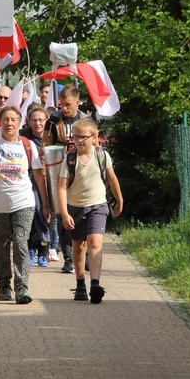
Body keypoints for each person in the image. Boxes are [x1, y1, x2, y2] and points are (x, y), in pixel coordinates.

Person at [0, 106, 49, 304]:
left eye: (13, 120)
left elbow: (39, 178)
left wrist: (45, 204)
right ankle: (5, 285)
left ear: (19, 123)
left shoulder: (27, 146)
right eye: (5, 120)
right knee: (0, 247)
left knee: (20, 241)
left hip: (23, 202)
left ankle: (22, 288)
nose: (9, 123)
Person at [57, 118, 123, 304]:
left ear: (94, 138)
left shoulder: (102, 156)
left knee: (95, 243)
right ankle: (80, 285)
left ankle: (95, 284)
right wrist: (64, 213)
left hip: (98, 205)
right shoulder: (70, 159)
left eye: (84, 137)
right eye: (76, 137)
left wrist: (120, 199)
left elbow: (112, 179)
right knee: (78, 247)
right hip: (74, 207)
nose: (79, 141)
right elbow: (61, 188)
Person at [42, 84, 89, 273]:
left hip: (82, 172)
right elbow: (45, 148)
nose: (64, 108)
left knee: (83, 214)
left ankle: (84, 256)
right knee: (64, 215)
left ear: (77, 103)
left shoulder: (85, 120)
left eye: (68, 104)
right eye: (62, 104)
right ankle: (69, 258)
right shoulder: (53, 121)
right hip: (61, 172)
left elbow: (94, 144)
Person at [19, 104, 51, 267]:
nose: (38, 123)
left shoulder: (52, 136)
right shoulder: (23, 136)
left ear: (46, 120)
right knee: (32, 212)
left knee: (45, 213)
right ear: (28, 122)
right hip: (28, 180)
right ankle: (31, 248)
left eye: (41, 120)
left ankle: (44, 252)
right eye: (34, 120)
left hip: (49, 180)